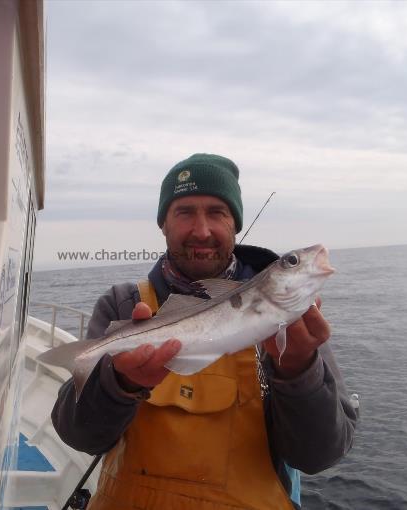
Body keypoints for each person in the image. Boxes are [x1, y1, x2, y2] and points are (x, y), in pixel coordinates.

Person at [52, 153, 358, 510]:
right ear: (163, 224)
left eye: (217, 212)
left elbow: (319, 455)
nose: (201, 230)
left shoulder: (294, 319)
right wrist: (118, 383)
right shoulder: (124, 304)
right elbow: (79, 435)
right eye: (184, 212)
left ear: (235, 223)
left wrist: (299, 371)